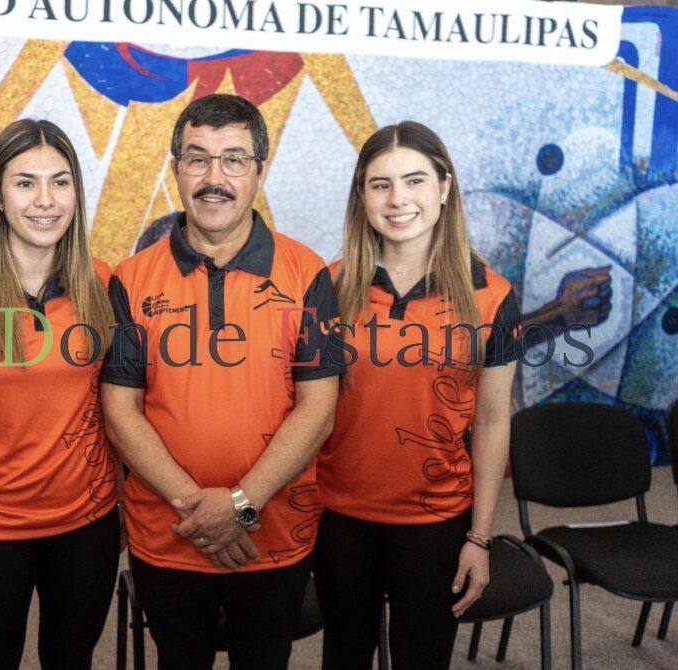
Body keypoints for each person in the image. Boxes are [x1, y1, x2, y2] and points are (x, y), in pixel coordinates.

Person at [100, 93, 342, 670]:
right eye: (197, 159)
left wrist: (241, 504)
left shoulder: (307, 272)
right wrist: (200, 509)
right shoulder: (131, 279)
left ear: (260, 170)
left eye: (234, 159)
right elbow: (120, 411)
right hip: (169, 532)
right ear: (175, 169)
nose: (214, 178)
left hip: (273, 533)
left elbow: (318, 408)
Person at [313, 121, 519, 670]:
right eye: (380, 184)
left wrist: (479, 536)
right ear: (362, 195)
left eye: (414, 180)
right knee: (344, 655)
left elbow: (494, 421)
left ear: (445, 187)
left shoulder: (492, 296)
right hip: (338, 515)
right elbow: (304, 412)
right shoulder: (328, 288)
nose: (398, 199)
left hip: (437, 521)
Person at [0, 119, 119, 669]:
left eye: (60, 182)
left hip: (87, 521)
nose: (45, 201)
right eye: (25, 182)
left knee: (71, 660)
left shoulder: (103, 283)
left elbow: (128, 403)